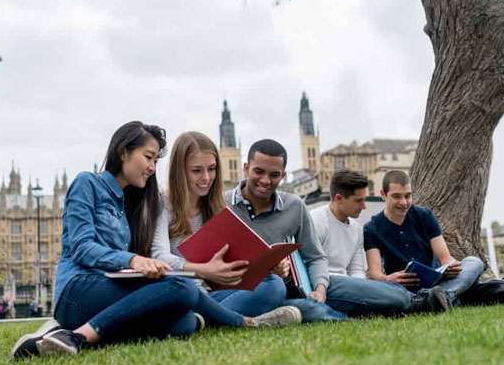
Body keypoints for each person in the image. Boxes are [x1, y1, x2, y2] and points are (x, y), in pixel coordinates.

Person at [11, 122, 299, 360]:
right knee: (181, 286)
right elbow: (83, 248)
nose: (152, 167)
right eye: (148, 158)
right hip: (77, 289)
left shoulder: (130, 204)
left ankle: (55, 334)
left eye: (156, 161)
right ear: (124, 152)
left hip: (110, 291)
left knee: (185, 322)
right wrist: (134, 260)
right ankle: (76, 337)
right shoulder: (87, 183)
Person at [151, 131, 297, 319]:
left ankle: (206, 318)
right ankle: (228, 318)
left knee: (274, 285)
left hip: (213, 295)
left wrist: (267, 266)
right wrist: (203, 270)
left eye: (211, 169)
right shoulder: (163, 203)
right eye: (197, 170)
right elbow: (159, 256)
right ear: (180, 171)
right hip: (181, 293)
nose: (206, 177)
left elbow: (231, 261)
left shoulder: (216, 205)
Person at [224, 139, 348, 322]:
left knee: (392, 297)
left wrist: (320, 289)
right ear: (246, 168)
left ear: (282, 176)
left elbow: (315, 256)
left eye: (274, 175)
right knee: (311, 309)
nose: (265, 181)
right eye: (258, 172)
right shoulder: (221, 204)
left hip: (284, 289)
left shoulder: (294, 206)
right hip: (239, 291)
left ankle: (405, 300)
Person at [311, 169, 449, 315]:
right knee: (397, 295)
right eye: (358, 201)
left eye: (364, 200)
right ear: (339, 198)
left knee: (391, 291)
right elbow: (313, 263)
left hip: (350, 285)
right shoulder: (316, 220)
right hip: (326, 283)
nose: (364, 206)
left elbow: (356, 270)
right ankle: (421, 302)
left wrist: (364, 289)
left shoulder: (357, 229)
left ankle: (424, 300)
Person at [364, 170, 484, 307]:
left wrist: (451, 266)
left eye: (408, 196)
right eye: (397, 196)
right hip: (401, 288)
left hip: (436, 283)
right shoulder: (371, 228)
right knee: (392, 296)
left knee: (474, 262)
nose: (403, 202)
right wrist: (388, 279)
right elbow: (375, 274)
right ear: (383, 195)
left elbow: (445, 258)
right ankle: (446, 297)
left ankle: (440, 296)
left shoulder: (425, 215)